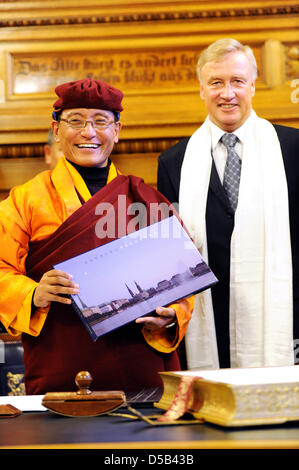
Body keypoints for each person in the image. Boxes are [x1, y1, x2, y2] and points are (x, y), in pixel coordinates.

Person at [0, 78, 194, 395]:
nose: (88, 132)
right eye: (75, 121)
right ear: (57, 129)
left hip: (141, 363)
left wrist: (172, 317)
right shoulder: (25, 201)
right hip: (61, 362)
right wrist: (34, 292)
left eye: (101, 121)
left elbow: (184, 278)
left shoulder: (146, 198)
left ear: (116, 130)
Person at [157, 38, 299, 370]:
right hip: (208, 317)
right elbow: (170, 253)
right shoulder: (174, 162)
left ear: (252, 85)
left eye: (237, 81)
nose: (227, 92)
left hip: (284, 314)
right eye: (216, 83)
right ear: (201, 90)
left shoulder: (293, 149)